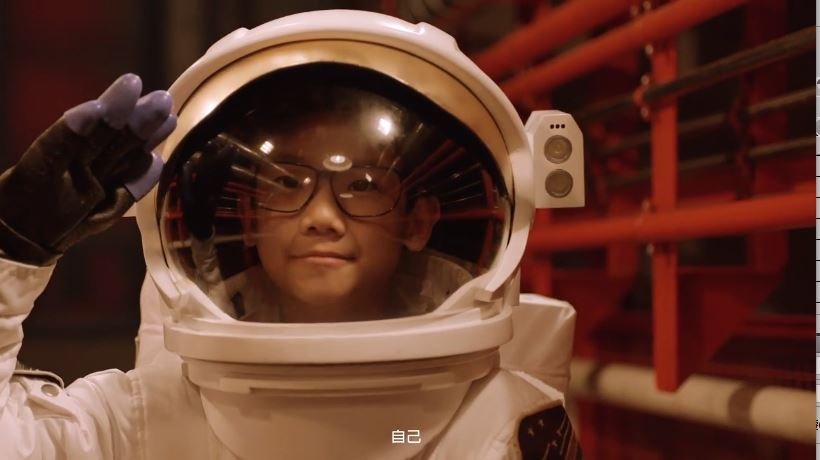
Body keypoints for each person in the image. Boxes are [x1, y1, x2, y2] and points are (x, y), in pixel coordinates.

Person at [0, 10, 582, 459]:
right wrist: (11, 250)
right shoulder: (144, 417)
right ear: (251, 217)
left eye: (361, 184)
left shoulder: (496, 422)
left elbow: (394, 436)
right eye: (286, 182)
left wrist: (391, 436)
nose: (321, 216)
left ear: (416, 222)